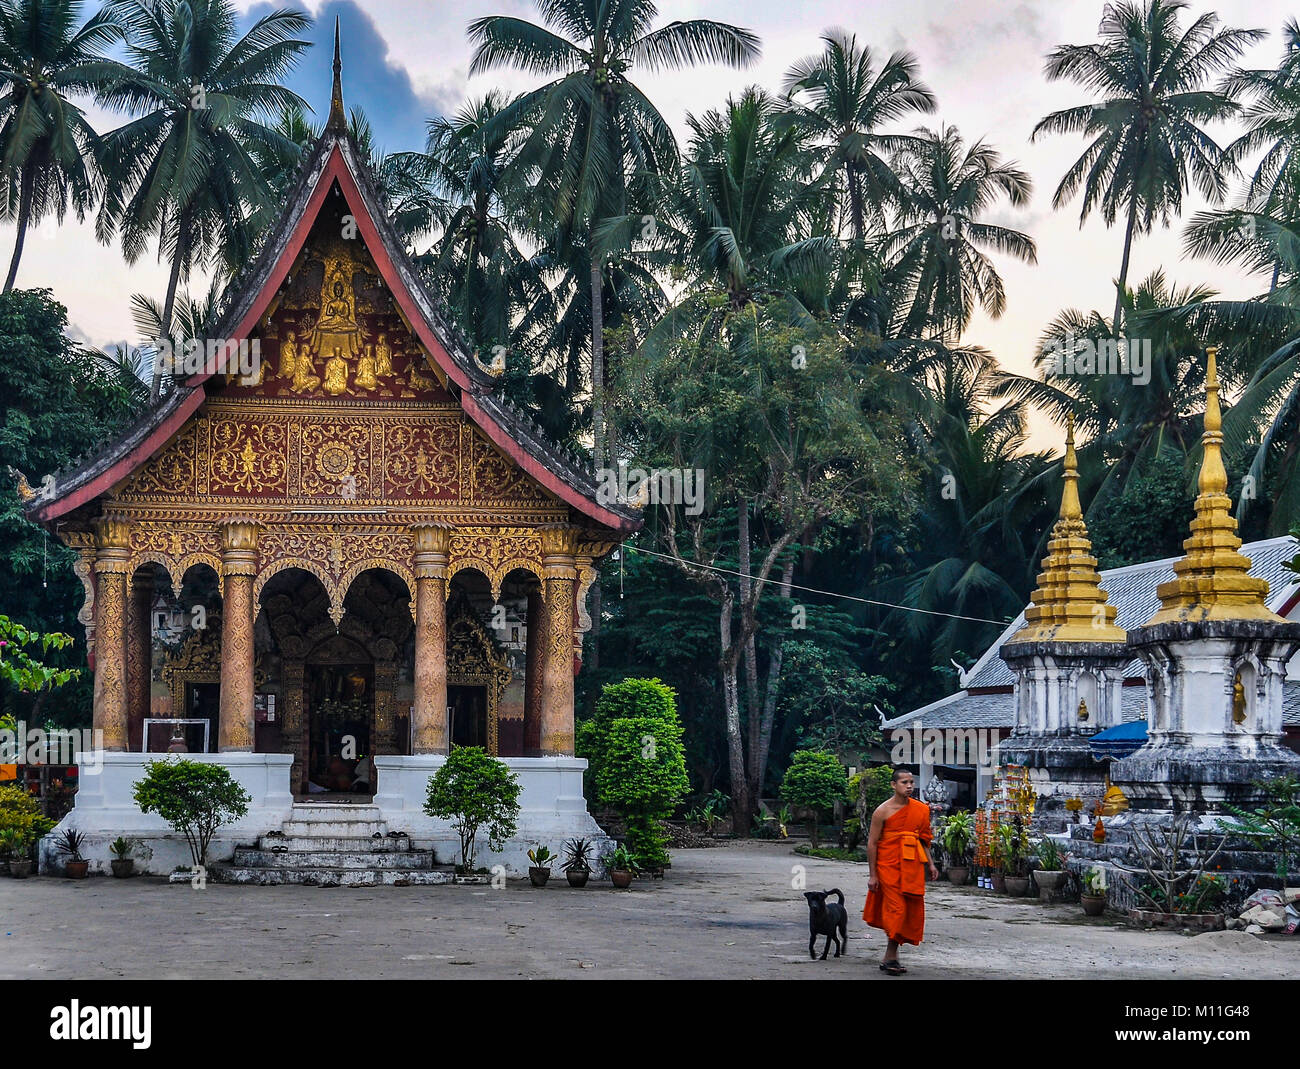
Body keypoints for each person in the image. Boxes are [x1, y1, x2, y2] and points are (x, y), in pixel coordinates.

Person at [863, 769, 937, 975]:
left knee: (909, 908)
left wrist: (931, 864)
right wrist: (873, 874)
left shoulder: (920, 809)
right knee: (897, 909)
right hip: (888, 867)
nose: (910, 786)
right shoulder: (882, 811)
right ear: (893, 785)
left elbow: (923, 839)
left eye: (912, 782)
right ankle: (890, 955)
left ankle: (891, 956)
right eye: (904, 782)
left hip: (912, 866)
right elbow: (872, 843)